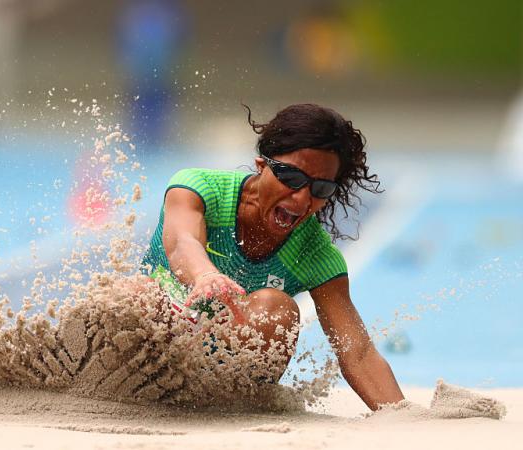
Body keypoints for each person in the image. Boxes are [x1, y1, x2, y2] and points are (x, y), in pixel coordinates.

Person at [141, 103, 405, 411]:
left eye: (320, 188)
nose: (302, 198)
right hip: (153, 348)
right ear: (261, 166)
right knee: (134, 295)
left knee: (276, 308)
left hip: (216, 383)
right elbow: (182, 243)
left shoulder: (317, 255)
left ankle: (230, 409)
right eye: (292, 178)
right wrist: (205, 275)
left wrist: (402, 417)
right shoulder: (199, 189)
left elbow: (357, 354)